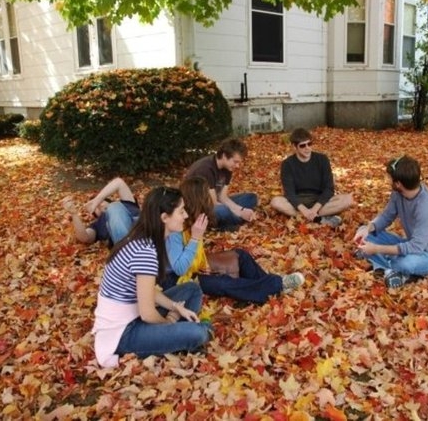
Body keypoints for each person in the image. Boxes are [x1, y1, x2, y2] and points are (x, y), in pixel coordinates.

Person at [92, 186, 211, 368]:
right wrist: (168, 323)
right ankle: (177, 339)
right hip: (123, 333)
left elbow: (149, 292)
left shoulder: (147, 240)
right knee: (200, 333)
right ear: (164, 218)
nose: (186, 216)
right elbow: (148, 313)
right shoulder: (145, 251)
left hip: (135, 314)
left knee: (192, 289)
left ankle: (174, 338)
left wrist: (176, 308)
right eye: (181, 211)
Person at [164, 176, 304, 305]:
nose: (211, 199)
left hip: (194, 267)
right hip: (177, 279)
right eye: (207, 195)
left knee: (240, 255)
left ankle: (272, 287)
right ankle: (276, 285)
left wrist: (203, 263)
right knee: (222, 283)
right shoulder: (176, 229)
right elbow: (180, 269)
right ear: (198, 200)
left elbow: (196, 253)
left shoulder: (193, 219)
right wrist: (195, 238)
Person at [353, 155, 428, 288]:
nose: (389, 181)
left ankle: (388, 267)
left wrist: (376, 248)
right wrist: (368, 228)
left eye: (390, 179)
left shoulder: (426, 205)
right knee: (363, 233)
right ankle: (393, 270)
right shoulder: (398, 194)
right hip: (411, 245)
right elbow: (386, 216)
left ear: (398, 183)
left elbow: (416, 247)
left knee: (404, 263)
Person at [270, 128, 354, 228]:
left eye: (309, 144)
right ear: (294, 147)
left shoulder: (322, 159)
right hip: (298, 201)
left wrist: (314, 209)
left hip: (319, 200)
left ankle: (307, 217)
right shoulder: (287, 164)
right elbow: (290, 193)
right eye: (302, 145)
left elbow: (329, 189)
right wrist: (304, 210)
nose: (307, 148)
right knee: (275, 202)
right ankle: (318, 219)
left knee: (348, 199)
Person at [185, 137, 257, 231]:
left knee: (251, 198)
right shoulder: (206, 169)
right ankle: (229, 224)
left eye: (239, 163)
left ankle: (229, 222)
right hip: (199, 208)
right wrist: (239, 212)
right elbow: (214, 203)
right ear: (224, 156)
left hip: (215, 204)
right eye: (235, 162)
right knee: (222, 210)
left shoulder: (228, 168)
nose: (237, 166)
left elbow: (222, 197)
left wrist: (241, 209)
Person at [62, 177, 140, 246]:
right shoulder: (98, 225)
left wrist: (97, 200)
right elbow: (84, 237)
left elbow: (119, 182)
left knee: (114, 207)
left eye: (101, 202)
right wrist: (74, 214)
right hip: (129, 246)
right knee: (113, 208)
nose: (99, 205)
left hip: (145, 229)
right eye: (96, 208)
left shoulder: (126, 203)